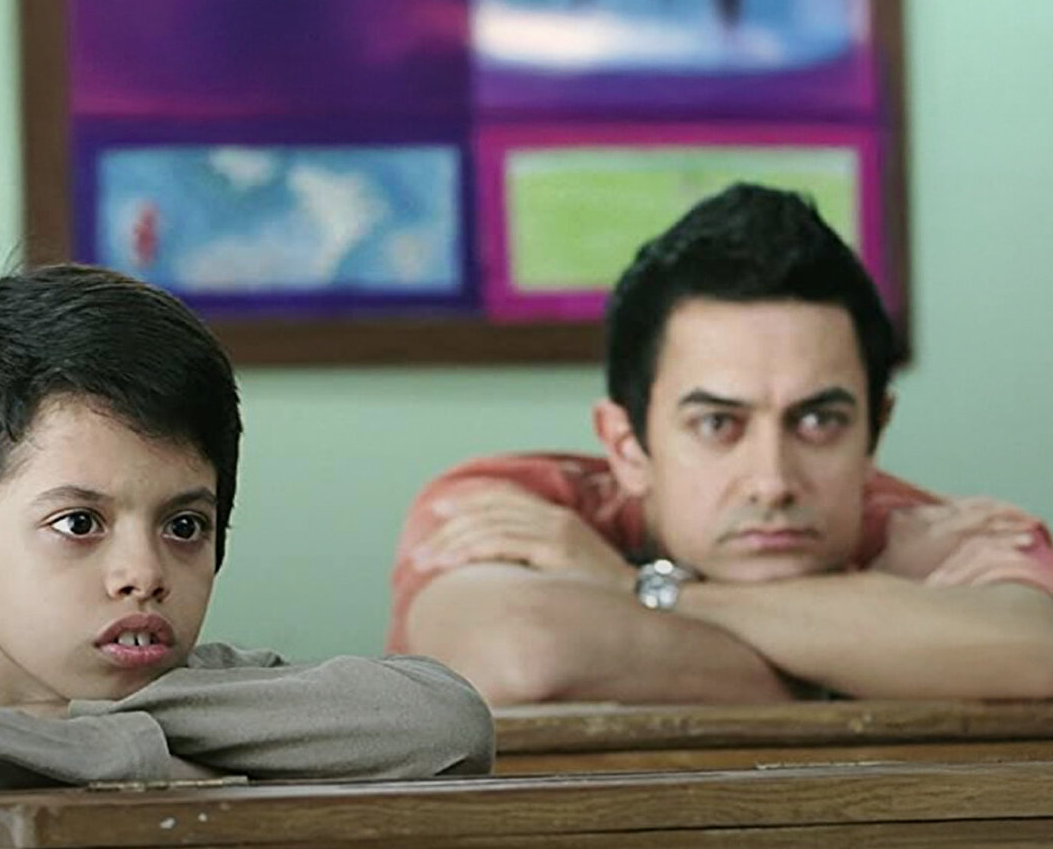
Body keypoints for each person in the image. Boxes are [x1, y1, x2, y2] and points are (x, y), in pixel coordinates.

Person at [390, 184, 1053, 705]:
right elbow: (524, 652)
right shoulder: (519, 506)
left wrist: (642, 590)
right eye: (717, 424)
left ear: (875, 430)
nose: (772, 481)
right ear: (626, 446)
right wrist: (891, 661)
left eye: (819, 422)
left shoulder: (940, 531)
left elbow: (1037, 654)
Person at [0, 265, 492, 803]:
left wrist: (56, 736)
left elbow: (443, 721)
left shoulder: (220, 695)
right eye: (78, 523)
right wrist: (144, 761)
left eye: (185, 526)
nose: (146, 574)